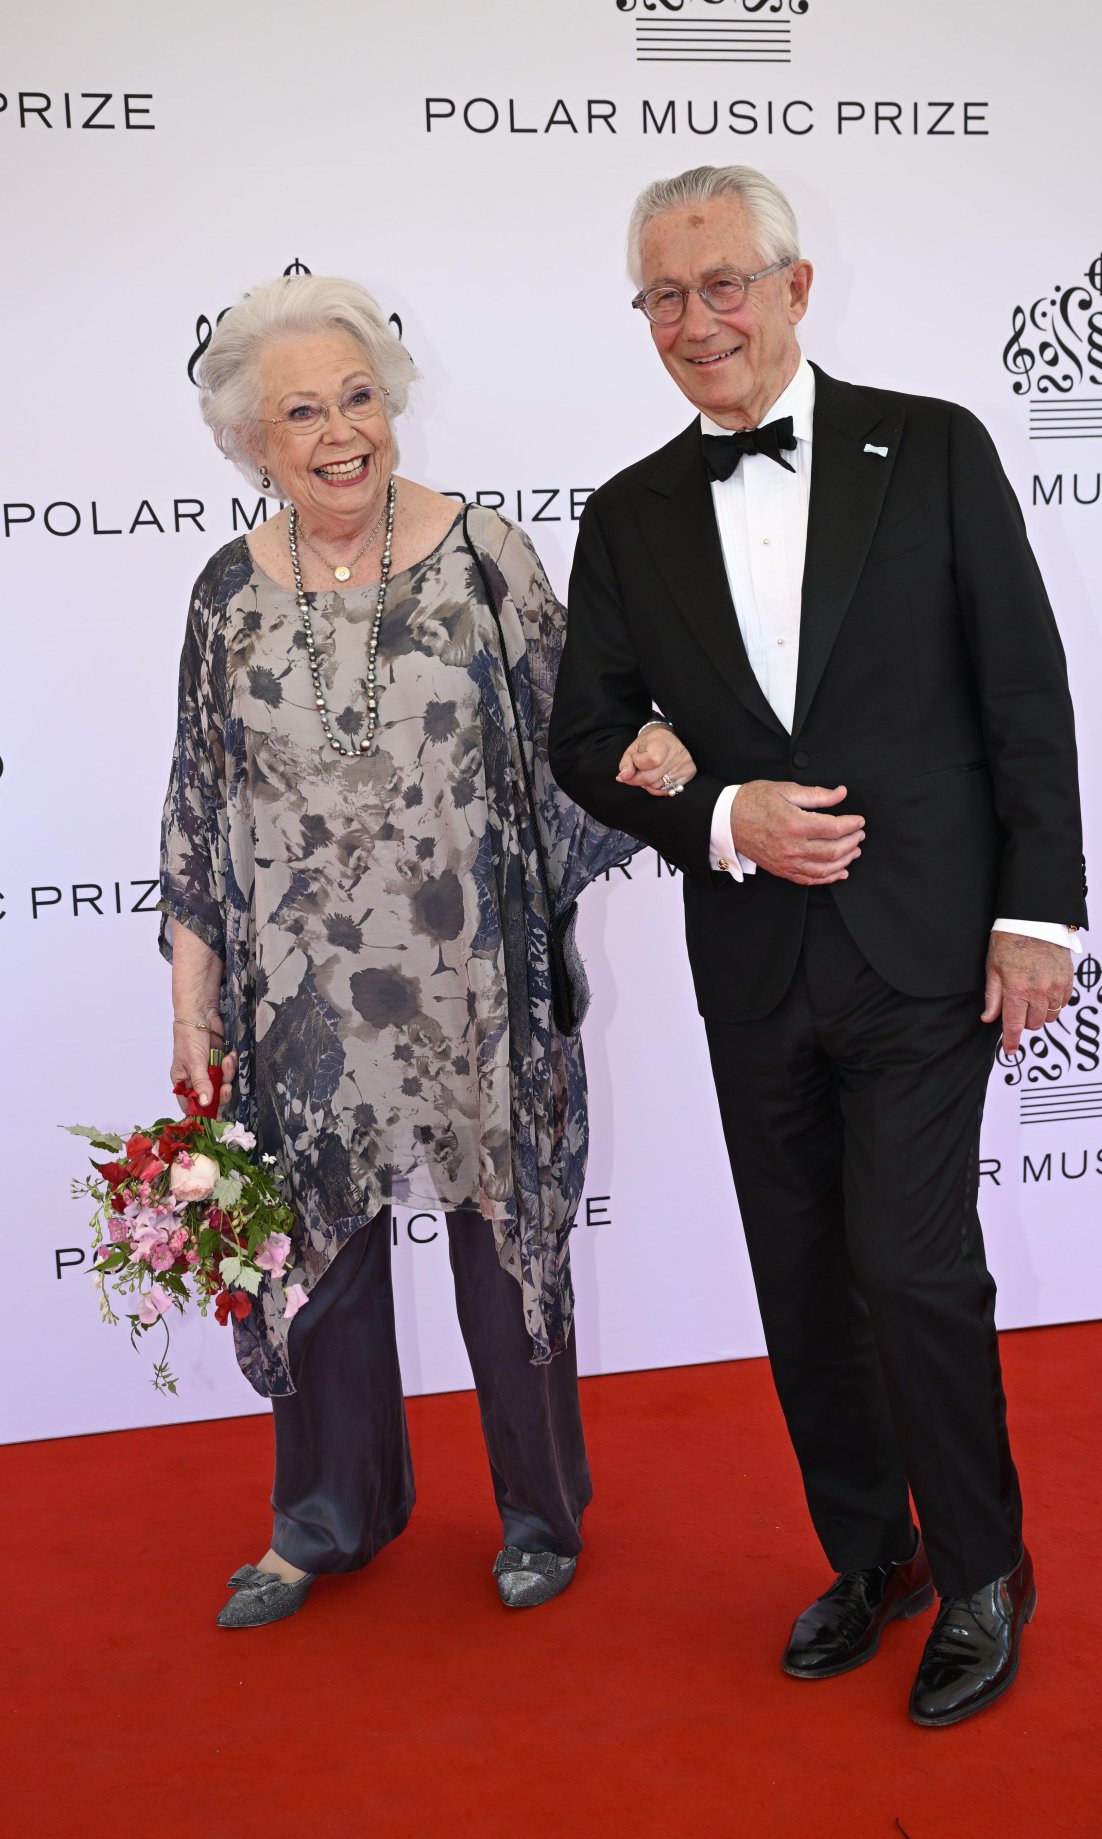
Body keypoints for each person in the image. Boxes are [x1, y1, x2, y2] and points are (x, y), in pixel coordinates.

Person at [549, 165, 1087, 1727]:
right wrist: (724, 813)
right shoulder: (630, 510)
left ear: (794, 288)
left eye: (724, 285)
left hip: (926, 946)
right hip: (756, 961)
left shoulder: (931, 446)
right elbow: (592, 736)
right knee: (801, 1279)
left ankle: (986, 1570)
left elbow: (1022, 692)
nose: (696, 320)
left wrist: (1036, 912)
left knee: (912, 1268)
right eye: (665, 294)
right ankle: (877, 1554)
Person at [161, 274, 694, 1628]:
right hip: (304, 997)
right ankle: (328, 1518)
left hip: (475, 978)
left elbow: (581, 726)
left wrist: (646, 754)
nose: (342, 431)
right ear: (251, 441)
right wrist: (194, 1000)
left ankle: (537, 1514)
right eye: (303, 412)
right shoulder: (225, 593)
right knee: (315, 1258)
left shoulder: (481, 553)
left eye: (359, 398)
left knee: (504, 1243)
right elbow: (196, 802)